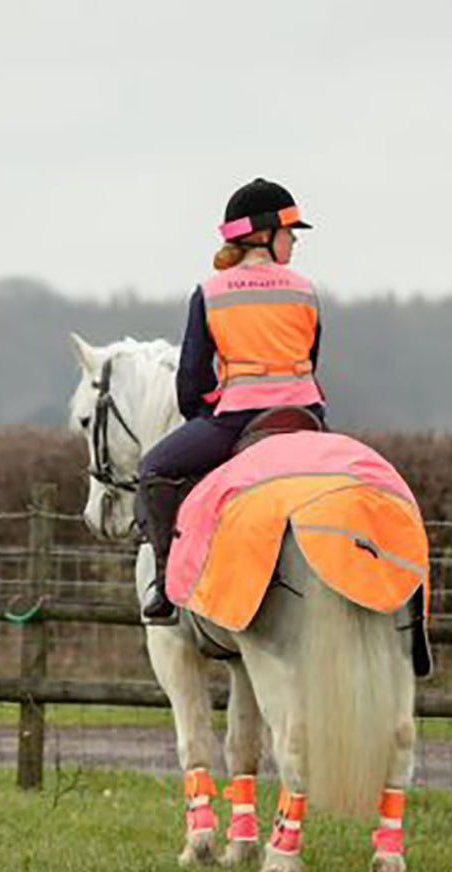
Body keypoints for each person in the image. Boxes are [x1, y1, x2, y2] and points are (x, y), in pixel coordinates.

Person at [136, 177, 328, 622]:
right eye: (290, 233)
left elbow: (190, 381)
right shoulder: (305, 290)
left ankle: (165, 586)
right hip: (307, 419)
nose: (295, 242)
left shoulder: (211, 293)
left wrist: (205, 413)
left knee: (154, 469)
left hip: (237, 420)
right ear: (265, 235)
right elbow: (311, 361)